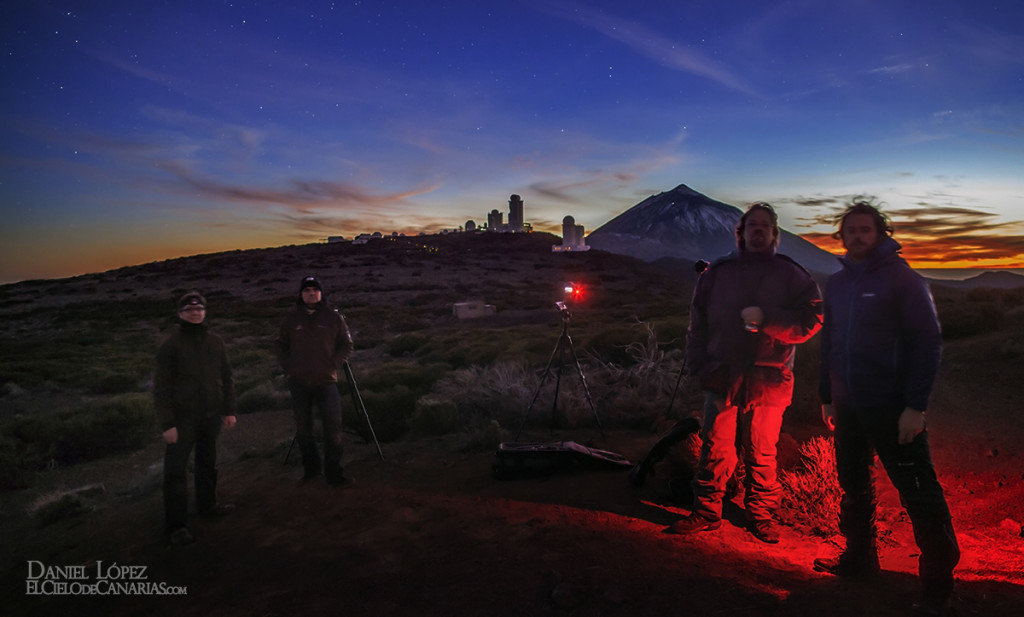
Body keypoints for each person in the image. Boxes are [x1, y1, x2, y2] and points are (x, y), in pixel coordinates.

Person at [814, 202, 959, 617]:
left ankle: (937, 588)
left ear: (880, 233)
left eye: (865, 229)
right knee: (854, 486)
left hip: (893, 407)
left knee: (919, 493)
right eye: (851, 230)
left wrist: (915, 406)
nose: (857, 236)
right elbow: (830, 344)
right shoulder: (838, 284)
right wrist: (827, 395)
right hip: (848, 405)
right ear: (841, 236)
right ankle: (859, 559)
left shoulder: (902, 280)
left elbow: (928, 343)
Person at [670, 202, 823, 543]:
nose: (757, 230)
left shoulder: (791, 275)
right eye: (751, 225)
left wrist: (769, 320)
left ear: (774, 234)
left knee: (762, 451)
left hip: (769, 380)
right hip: (722, 375)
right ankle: (707, 511)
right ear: (740, 232)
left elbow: (813, 318)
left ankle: (761, 514)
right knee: (715, 447)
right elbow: (699, 324)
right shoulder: (718, 274)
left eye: (764, 226)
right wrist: (700, 364)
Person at [154, 291, 238, 546]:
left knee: (207, 462)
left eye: (199, 309)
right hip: (183, 418)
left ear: (204, 312)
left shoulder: (215, 341)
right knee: (176, 471)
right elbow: (162, 387)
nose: (195, 313)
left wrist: (230, 410)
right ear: (180, 313)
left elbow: (227, 375)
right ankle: (177, 525)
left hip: (211, 414)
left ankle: (208, 505)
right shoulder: (171, 345)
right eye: (190, 310)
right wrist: (167, 424)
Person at [278, 275, 355, 485]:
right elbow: (281, 346)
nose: (311, 294)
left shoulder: (333, 317)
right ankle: (311, 471)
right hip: (299, 383)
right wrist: (290, 367)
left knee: (333, 428)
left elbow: (346, 345)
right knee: (304, 430)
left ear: (321, 293)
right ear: (301, 294)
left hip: (326, 381)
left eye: (315, 290)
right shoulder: (291, 319)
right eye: (306, 290)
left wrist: (334, 363)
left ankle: (334, 473)